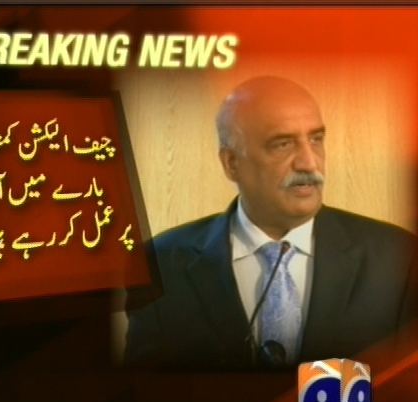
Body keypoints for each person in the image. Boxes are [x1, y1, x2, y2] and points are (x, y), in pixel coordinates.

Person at [124, 76, 417, 371]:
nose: (309, 163)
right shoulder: (159, 264)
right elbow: (143, 392)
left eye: (316, 139)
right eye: (283, 144)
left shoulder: (398, 257)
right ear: (232, 163)